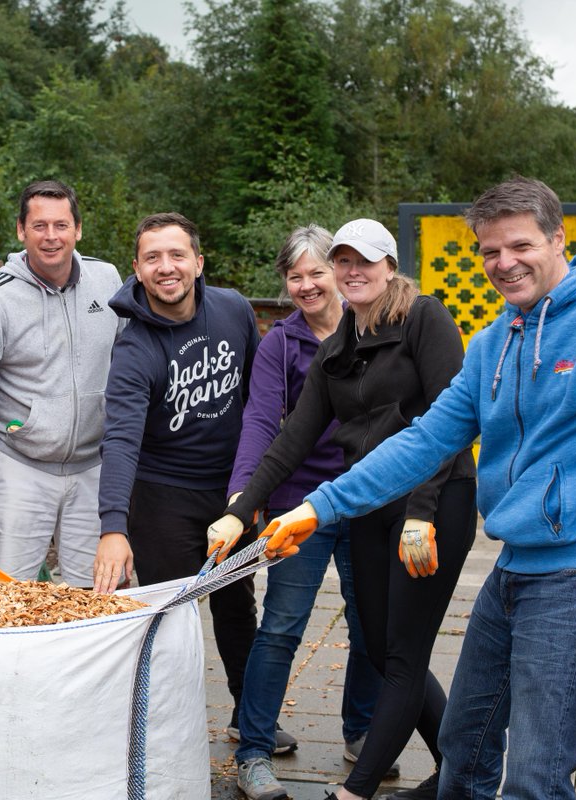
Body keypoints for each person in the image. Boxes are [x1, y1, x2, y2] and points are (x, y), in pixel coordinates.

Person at [258, 177, 576, 800]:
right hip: (513, 569)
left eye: (519, 245)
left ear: (558, 238)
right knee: (462, 757)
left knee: (534, 778)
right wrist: (317, 506)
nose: (504, 263)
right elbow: (423, 441)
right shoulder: (494, 342)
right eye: (490, 251)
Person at [216, 218, 478, 800]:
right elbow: (290, 438)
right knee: (388, 650)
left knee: (402, 651)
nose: (351, 272)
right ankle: (460, 771)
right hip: (366, 504)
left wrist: (422, 511)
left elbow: (451, 422)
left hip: (432, 503)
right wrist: (242, 509)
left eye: (364, 261)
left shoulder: (423, 319)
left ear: (390, 265)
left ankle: (357, 792)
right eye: (343, 261)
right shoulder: (337, 348)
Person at [205, 226, 391, 799]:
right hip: (300, 503)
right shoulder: (280, 344)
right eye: (295, 275)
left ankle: (362, 729)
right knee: (283, 623)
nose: (307, 284)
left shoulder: (382, 330)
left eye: (317, 271)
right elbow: (261, 423)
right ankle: (255, 748)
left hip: (368, 498)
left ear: (340, 272)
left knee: (370, 623)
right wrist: (243, 500)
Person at [93, 212, 286, 748]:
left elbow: (257, 403)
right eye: (153, 257)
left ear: (199, 263)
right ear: (137, 269)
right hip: (163, 497)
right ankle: (163, 728)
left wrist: (258, 489)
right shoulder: (134, 348)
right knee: (171, 616)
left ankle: (250, 721)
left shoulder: (233, 310)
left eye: (177, 255)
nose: (166, 267)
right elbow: (121, 440)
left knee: (236, 605)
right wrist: (114, 527)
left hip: (231, 492)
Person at [0, 180, 123, 586]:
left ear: (78, 230)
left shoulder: (108, 282)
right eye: (39, 226)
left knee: (95, 598)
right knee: (11, 597)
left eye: (61, 225)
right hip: (21, 466)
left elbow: (135, 369)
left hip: (93, 467)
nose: (51, 237)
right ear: (21, 230)